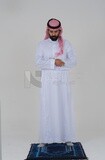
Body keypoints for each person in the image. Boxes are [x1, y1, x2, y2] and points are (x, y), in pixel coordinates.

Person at [35, 18, 77, 147]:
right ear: (48, 31)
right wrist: (54, 62)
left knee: (63, 105)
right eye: (51, 31)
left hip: (62, 81)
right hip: (48, 81)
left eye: (56, 31)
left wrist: (62, 63)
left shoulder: (67, 44)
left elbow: (74, 61)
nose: (54, 34)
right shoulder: (42, 45)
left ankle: (66, 137)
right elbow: (38, 62)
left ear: (60, 31)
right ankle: (46, 138)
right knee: (48, 106)